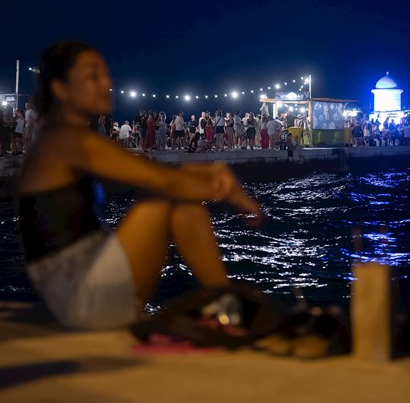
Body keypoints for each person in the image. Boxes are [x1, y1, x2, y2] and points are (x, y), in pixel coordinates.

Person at [16, 40, 263, 330]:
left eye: (106, 74)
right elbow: (163, 179)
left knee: (171, 193)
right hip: (82, 299)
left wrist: (210, 172)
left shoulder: (61, 137)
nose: (106, 82)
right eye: (92, 75)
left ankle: (226, 302)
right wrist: (231, 191)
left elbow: (159, 171)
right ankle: (226, 301)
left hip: (82, 290)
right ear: (61, 89)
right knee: (164, 197)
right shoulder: (64, 140)